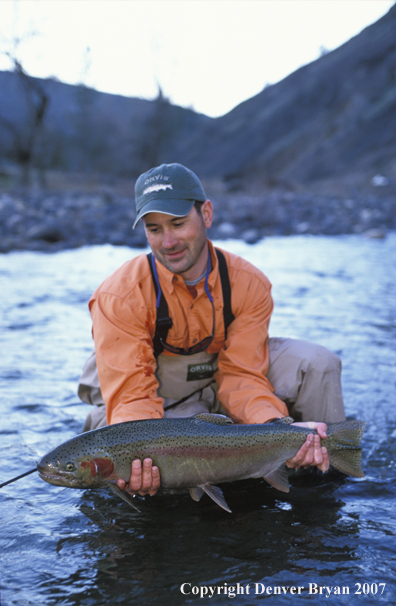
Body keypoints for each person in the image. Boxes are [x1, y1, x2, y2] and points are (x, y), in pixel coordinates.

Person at [78, 163, 346, 499]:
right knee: (168, 472)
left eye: (178, 223)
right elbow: (133, 396)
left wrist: (277, 431)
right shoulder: (119, 295)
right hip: (156, 383)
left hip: (222, 371)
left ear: (206, 214)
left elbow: (243, 375)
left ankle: (326, 460)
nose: (168, 241)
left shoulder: (249, 282)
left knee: (319, 363)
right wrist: (138, 458)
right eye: (154, 229)